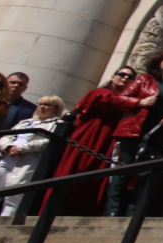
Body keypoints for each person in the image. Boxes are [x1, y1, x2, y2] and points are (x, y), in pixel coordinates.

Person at [106, 49, 163, 217]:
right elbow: (119, 99)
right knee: (122, 170)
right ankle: (112, 210)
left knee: (146, 174)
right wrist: (140, 102)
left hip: (161, 134)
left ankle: (133, 212)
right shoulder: (144, 80)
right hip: (133, 130)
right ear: (160, 61)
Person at [58, 67, 136, 215]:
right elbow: (108, 102)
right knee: (77, 170)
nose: (125, 78)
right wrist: (138, 103)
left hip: (109, 143)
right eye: (122, 74)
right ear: (113, 77)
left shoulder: (129, 101)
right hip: (88, 139)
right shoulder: (101, 93)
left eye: (130, 77)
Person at [0, 95, 66, 214]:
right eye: (40, 104)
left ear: (56, 108)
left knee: (13, 198)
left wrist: (21, 148)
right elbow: (7, 135)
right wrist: (8, 147)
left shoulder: (58, 124)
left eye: (47, 105)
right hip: (6, 158)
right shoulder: (25, 122)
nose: (42, 107)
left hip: (27, 161)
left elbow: (47, 142)